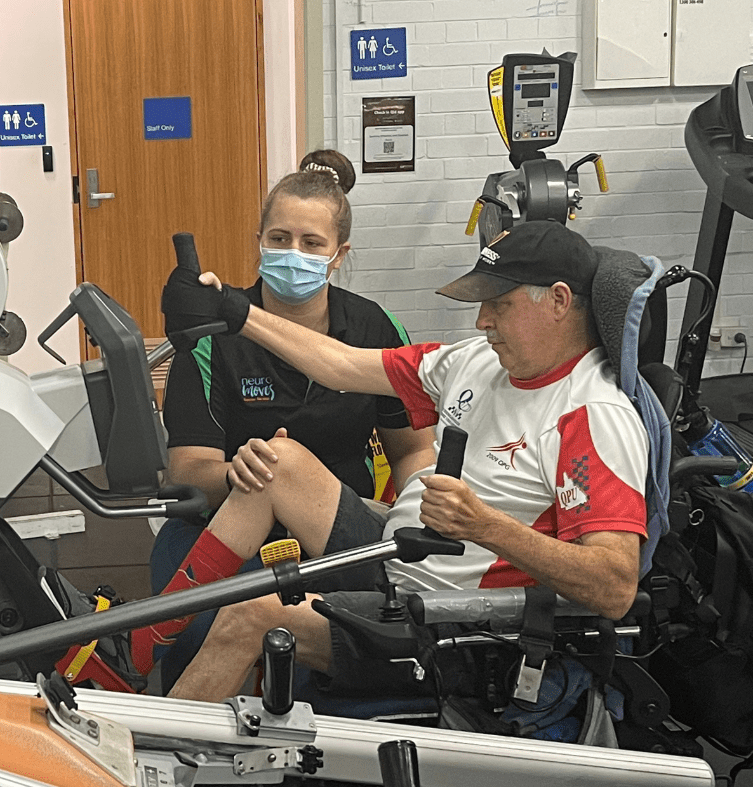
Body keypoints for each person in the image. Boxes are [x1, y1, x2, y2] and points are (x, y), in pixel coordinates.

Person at [156, 220, 647, 702]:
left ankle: (153, 762)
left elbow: (614, 586)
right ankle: (148, 642)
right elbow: (342, 364)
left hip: (444, 621)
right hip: (397, 555)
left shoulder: (591, 417)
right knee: (277, 462)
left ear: (559, 301)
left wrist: (485, 526)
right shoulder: (477, 360)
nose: (482, 321)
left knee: (251, 615)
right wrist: (233, 311)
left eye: (499, 304)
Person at [134, 150, 436, 683]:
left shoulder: (373, 329)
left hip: (338, 530)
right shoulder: (210, 341)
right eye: (278, 239)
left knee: (314, 643)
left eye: (311, 243)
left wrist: (412, 526)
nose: (292, 253)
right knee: (207, 625)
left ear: (338, 255)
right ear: (259, 241)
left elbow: (412, 449)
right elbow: (185, 476)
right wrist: (237, 475)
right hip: (224, 524)